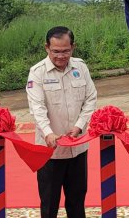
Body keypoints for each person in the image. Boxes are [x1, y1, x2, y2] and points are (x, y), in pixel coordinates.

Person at [27, 26, 97, 218]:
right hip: (50, 153)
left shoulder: (80, 67)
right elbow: (37, 108)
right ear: (46, 48)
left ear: (73, 47)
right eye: (56, 51)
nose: (61, 56)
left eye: (66, 51)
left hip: (78, 149)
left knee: (77, 201)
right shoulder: (37, 73)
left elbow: (91, 98)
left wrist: (80, 126)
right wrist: (48, 133)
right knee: (49, 204)